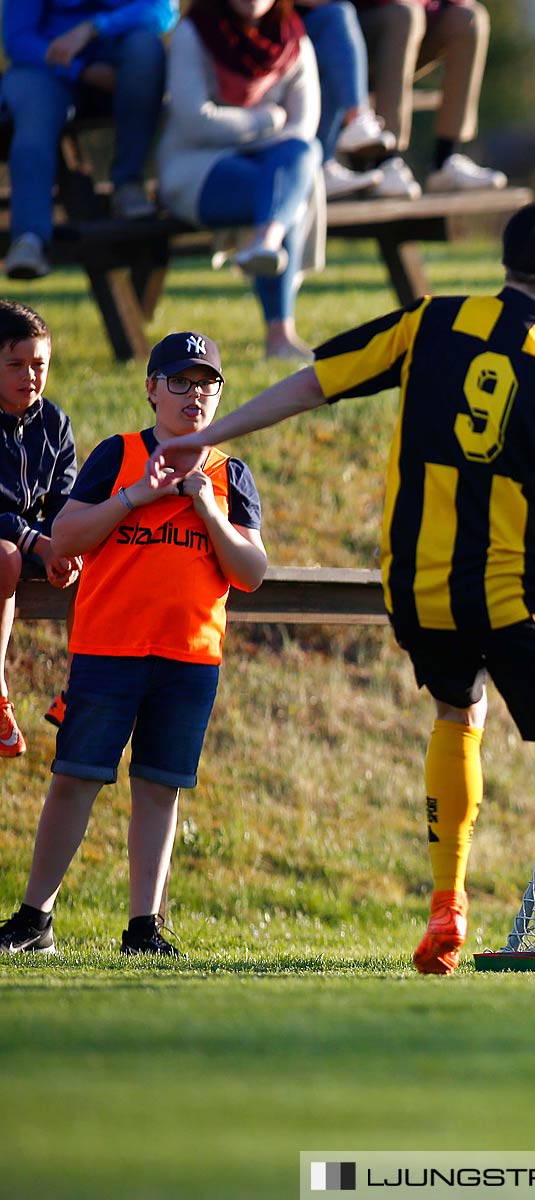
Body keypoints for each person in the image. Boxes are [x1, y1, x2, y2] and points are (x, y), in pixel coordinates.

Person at [146, 200, 535, 980]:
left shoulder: (428, 322)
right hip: (511, 592)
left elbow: (315, 382)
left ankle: (447, 905)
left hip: (417, 589)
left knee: (458, 711)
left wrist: (203, 437)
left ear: (508, 264)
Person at [0, 330, 267, 957]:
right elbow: (65, 537)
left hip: (190, 658)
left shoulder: (230, 474)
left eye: (206, 384)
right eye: (179, 382)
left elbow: (250, 572)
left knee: (159, 787)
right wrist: (135, 497)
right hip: (109, 650)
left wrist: (206, 508)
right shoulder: (118, 454)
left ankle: (144, 926)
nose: (194, 396)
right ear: (152, 390)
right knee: (75, 778)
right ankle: (35, 918)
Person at [158, 0, 326, 363]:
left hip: (271, 168)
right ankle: (279, 333)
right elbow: (196, 122)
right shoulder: (195, 33)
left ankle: (268, 245)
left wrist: (265, 144)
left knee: (303, 157)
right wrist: (265, 122)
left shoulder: (293, 40)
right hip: (197, 168)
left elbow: (303, 127)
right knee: (284, 192)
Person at [1, 0, 177, 280]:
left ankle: (129, 184)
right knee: (32, 126)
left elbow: (162, 10)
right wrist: (80, 70)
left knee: (146, 49)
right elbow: (18, 39)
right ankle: (29, 238)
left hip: (118, 62)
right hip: (44, 66)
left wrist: (93, 28)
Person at [0, 301, 81, 759]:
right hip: (6, 545)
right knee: (6, 556)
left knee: (94, 555)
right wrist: (39, 542)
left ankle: (78, 688)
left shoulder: (55, 423)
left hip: (35, 538)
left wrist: (64, 544)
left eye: (39, 365)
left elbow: (66, 499)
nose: (29, 376)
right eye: (15, 364)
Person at [353, 0, 506, 198]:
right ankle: (384, 161)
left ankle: (446, 159)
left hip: (413, 25)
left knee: (468, 18)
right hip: (357, 31)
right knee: (405, 14)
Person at [297, 0, 398, 198]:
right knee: (339, 15)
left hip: (313, 26)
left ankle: (324, 163)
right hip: (272, 24)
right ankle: (356, 118)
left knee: (334, 53)